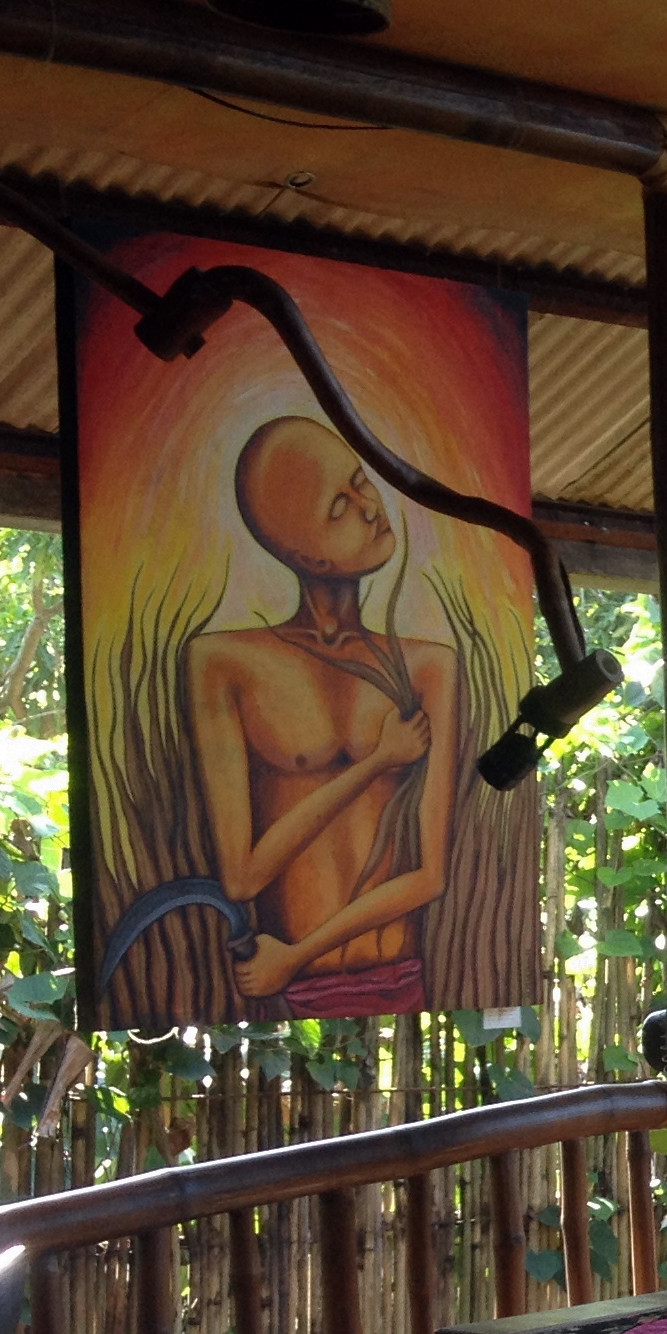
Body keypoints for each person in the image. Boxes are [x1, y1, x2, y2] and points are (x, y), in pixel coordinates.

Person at [185, 414, 460, 1017]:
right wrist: (377, 763)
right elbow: (243, 878)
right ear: (300, 551)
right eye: (340, 507)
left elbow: (429, 876)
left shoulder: (429, 665)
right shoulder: (225, 663)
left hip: (395, 972)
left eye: (361, 482)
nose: (370, 507)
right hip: (286, 991)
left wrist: (296, 954)